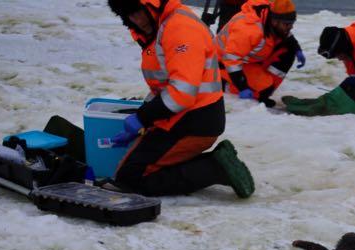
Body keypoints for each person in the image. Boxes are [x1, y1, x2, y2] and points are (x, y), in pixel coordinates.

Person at [107, 0, 254, 198]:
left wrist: (142, 118)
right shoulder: (159, 28)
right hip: (181, 118)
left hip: (196, 122)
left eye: (138, 12)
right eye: (129, 16)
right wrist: (143, 115)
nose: (137, 20)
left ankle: (213, 168)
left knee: (129, 179)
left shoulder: (180, 29)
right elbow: (164, 86)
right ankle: (211, 162)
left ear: (152, 5)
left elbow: (181, 93)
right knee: (127, 171)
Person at [216, 0, 306, 108]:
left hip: (248, 59)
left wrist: (297, 49)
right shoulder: (249, 30)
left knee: (288, 49)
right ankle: (223, 82)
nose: (290, 27)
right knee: (263, 89)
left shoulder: (271, 18)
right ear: (274, 21)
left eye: (292, 23)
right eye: (287, 24)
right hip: (221, 62)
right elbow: (231, 59)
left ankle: (265, 88)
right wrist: (242, 87)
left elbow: (286, 34)